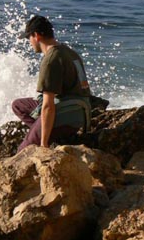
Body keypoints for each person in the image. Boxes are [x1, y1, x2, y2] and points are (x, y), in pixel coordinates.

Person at [12, 15, 91, 152]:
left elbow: (48, 106)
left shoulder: (50, 60)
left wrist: (43, 143)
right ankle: (41, 130)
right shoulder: (69, 52)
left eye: (28, 38)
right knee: (18, 105)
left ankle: (42, 135)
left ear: (36, 36)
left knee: (23, 151)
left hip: (66, 116)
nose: (29, 42)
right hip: (81, 112)